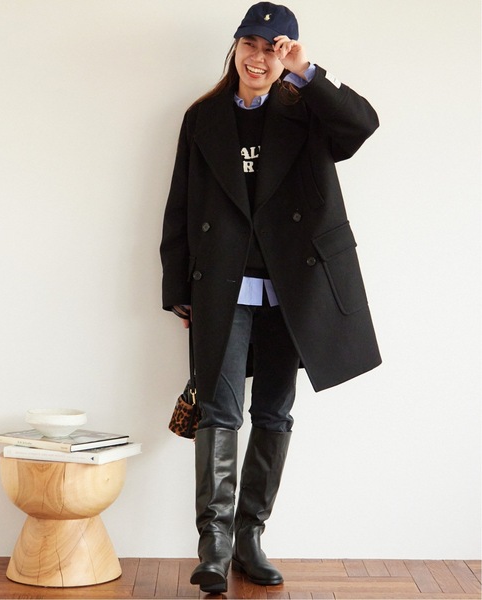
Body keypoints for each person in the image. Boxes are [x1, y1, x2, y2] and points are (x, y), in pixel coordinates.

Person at [160, 2, 381, 593]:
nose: (259, 58)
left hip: (293, 289)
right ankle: (214, 547)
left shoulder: (306, 111)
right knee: (218, 411)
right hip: (222, 287)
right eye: (250, 45)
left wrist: (307, 71)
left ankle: (250, 537)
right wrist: (178, 290)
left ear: (286, 55)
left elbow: (362, 124)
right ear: (235, 48)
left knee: (275, 413)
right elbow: (181, 203)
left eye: (273, 48)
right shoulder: (202, 117)